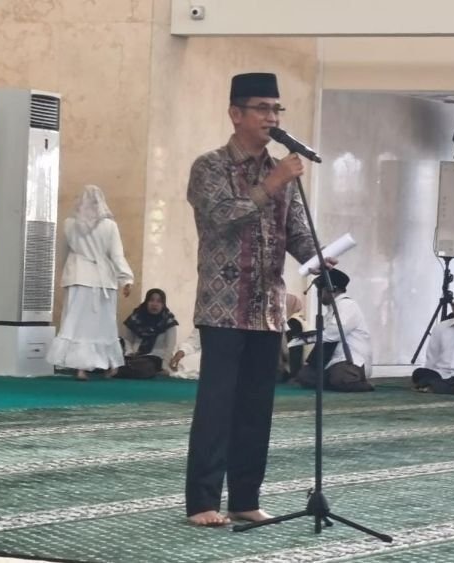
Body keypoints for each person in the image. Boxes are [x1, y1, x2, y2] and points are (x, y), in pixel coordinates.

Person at [184, 72, 331, 527]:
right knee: (217, 408)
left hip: (268, 310)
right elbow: (222, 217)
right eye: (263, 108)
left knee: (255, 410)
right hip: (223, 308)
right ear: (236, 114)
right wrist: (273, 182)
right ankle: (202, 503)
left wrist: (319, 259)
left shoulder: (281, 171)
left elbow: (296, 231)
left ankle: (245, 498)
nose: (272, 117)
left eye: (276, 109)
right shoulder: (210, 167)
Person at [47, 185, 133, 381]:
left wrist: (65, 273)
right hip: (104, 280)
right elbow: (117, 255)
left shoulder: (69, 224)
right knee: (104, 325)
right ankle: (111, 365)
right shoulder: (109, 226)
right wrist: (126, 278)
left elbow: (63, 252)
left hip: (79, 277)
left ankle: (81, 368)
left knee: (77, 324)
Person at [294, 269, 374, 392]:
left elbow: (332, 334)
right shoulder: (332, 309)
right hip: (331, 361)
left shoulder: (348, 306)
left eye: (321, 290)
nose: (319, 295)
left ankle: (358, 382)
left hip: (350, 360)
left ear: (333, 289)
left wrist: (302, 340)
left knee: (340, 378)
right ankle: (333, 381)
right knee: (305, 376)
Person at [118, 288, 178, 379]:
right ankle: (120, 369)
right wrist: (129, 352)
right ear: (146, 302)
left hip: (156, 357)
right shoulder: (136, 317)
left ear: (163, 304)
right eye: (151, 300)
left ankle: (119, 370)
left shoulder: (168, 321)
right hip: (134, 355)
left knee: (146, 367)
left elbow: (170, 346)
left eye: (159, 301)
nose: (154, 304)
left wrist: (164, 366)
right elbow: (127, 339)